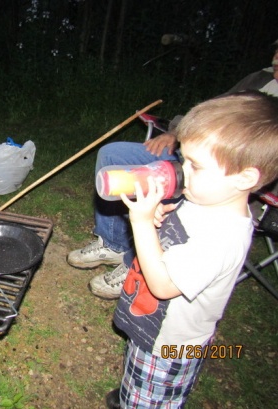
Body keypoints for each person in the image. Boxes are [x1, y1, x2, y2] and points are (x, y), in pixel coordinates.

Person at [104, 91, 278, 408]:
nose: (183, 169)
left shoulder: (224, 235)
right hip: (154, 330)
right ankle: (135, 391)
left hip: (171, 345)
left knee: (153, 395)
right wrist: (160, 219)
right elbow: (182, 232)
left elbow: (163, 285)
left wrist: (141, 224)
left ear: (245, 178)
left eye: (195, 165)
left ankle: (142, 399)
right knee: (139, 367)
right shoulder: (207, 200)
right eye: (184, 158)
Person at [68, 39, 278, 300]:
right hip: (201, 155)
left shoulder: (224, 232)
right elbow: (212, 112)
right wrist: (176, 134)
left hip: (229, 180)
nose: (276, 62)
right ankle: (113, 244)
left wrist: (143, 221)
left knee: (177, 193)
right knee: (112, 154)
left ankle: (136, 266)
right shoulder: (258, 79)